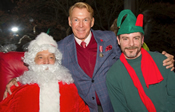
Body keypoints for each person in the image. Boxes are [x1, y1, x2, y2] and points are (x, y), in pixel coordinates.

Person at [3, 2, 175, 112]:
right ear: (70, 22)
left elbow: (132, 49)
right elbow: (45, 66)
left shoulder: (108, 38)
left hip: (115, 104)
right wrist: (18, 79)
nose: (81, 25)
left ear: (92, 22)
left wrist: (160, 58)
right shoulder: (61, 47)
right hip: (86, 108)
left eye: (85, 20)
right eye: (76, 20)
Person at [0, 32, 90, 112]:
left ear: (56, 60)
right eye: (40, 57)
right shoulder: (17, 86)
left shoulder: (69, 85)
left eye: (51, 57)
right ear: (32, 60)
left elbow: (81, 108)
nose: (46, 62)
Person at [106, 9, 175, 112]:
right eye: (125, 39)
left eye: (136, 38)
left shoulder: (163, 61)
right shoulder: (113, 76)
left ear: (142, 40)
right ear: (118, 40)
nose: (131, 44)